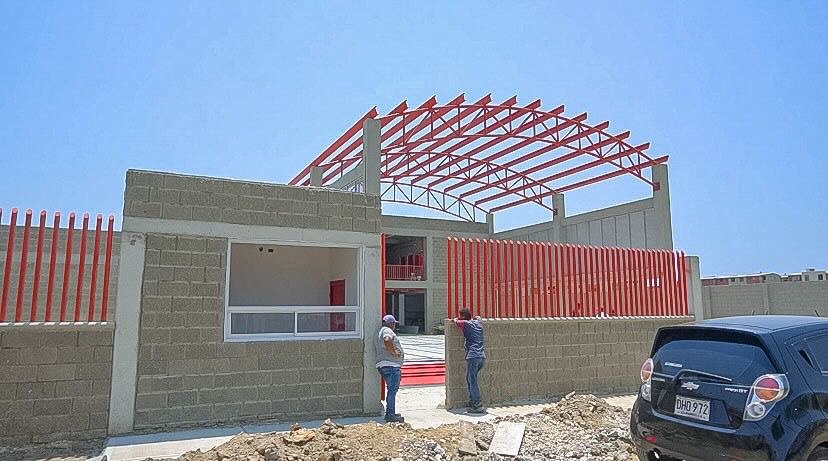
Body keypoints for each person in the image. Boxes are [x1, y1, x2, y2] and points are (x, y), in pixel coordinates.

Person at [453, 308, 486, 413]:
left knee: (472, 381)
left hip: (473, 356)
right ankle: (473, 401)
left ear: (462, 316)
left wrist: (458, 318)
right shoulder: (478, 323)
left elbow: (455, 321)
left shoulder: (464, 323)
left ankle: (477, 404)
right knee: (470, 379)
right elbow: (479, 318)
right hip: (482, 357)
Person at [375, 314, 405, 423]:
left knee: (391, 390)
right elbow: (387, 340)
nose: (394, 326)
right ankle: (390, 415)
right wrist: (394, 352)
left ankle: (391, 413)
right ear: (390, 323)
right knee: (392, 391)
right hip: (391, 365)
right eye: (393, 323)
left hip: (384, 365)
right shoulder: (387, 330)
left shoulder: (379, 331)